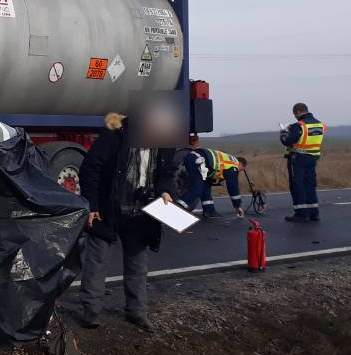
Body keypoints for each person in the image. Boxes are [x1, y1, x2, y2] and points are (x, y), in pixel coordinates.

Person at [78, 111, 179, 332]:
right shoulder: (114, 136)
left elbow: (168, 173)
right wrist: (92, 205)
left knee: (137, 264)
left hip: (140, 212)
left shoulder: (165, 143)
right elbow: (90, 169)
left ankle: (137, 312)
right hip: (107, 209)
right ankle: (91, 312)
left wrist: (166, 190)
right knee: (97, 262)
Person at [179, 136, 248, 217]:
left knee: (205, 186)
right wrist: (237, 206)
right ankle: (177, 207)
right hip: (198, 160)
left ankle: (209, 211)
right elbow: (233, 187)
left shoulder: (228, 160)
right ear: (240, 164)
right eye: (241, 170)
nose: (238, 172)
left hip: (195, 158)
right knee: (196, 189)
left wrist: (217, 182)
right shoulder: (233, 166)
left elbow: (212, 174)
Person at [281, 102, 323, 222]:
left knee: (297, 185)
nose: (295, 116)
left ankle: (301, 213)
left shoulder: (299, 125)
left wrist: (284, 133)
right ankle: (313, 213)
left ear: (298, 112)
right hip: (313, 158)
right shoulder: (319, 124)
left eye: (295, 114)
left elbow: (288, 141)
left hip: (298, 159)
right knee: (310, 184)